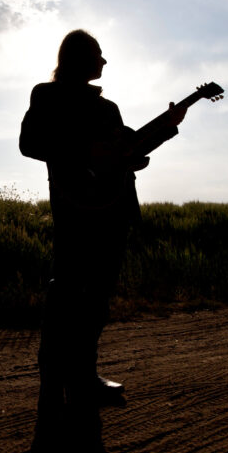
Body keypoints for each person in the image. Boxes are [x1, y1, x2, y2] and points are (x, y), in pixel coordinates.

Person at [20, 29, 185, 415]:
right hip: (76, 208)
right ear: (79, 57)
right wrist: (85, 151)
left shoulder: (108, 108)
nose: (105, 62)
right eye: (99, 54)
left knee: (97, 297)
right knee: (66, 291)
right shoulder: (46, 96)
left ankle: (84, 375)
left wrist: (169, 125)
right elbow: (30, 144)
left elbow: (128, 152)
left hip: (114, 207)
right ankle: (52, 374)